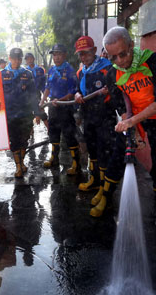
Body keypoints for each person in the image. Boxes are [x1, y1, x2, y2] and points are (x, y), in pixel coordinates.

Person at [103, 26, 156, 239]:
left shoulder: (155, 61)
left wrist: (133, 120)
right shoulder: (112, 74)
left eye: (123, 54)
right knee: (117, 155)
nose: (120, 61)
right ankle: (104, 196)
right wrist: (133, 132)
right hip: (134, 121)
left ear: (132, 45)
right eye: (113, 57)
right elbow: (121, 107)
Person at [73, 36, 115, 198]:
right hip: (88, 117)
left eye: (86, 53)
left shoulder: (107, 69)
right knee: (92, 151)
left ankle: (104, 190)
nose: (83, 57)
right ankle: (95, 180)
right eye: (80, 54)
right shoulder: (80, 72)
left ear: (94, 51)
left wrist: (108, 92)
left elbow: (116, 93)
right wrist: (77, 94)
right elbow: (77, 89)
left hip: (105, 118)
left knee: (104, 151)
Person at [1, 48, 43, 178]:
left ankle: (22, 162)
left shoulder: (27, 73)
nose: (16, 61)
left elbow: (32, 95)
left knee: (24, 140)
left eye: (19, 58)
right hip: (10, 115)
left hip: (25, 114)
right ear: (9, 58)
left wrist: (37, 113)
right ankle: (18, 166)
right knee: (14, 141)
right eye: (14, 58)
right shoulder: (2, 74)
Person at [40, 44, 80, 174]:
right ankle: (54, 158)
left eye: (59, 54)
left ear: (64, 55)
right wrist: (42, 100)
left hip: (66, 108)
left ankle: (76, 164)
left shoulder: (69, 70)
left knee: (69, 135)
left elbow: (73, 92)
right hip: (53, 107)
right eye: (54, 54)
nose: (56, 57)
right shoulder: (51, 70)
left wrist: (60, 100)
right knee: (53, 133)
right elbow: (47, 87)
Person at [24, 52, 48, 128]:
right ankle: (31, 135)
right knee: (29, 115)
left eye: (31, 58)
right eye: (27, 59)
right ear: (26, 61)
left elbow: (43, 84)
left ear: (34, 59)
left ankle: (49, 130)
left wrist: (45, 95)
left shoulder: (40, 70)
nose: (29, 60)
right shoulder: (24, 71)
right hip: (28, 96)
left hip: (37, 94)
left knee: (42, 112)